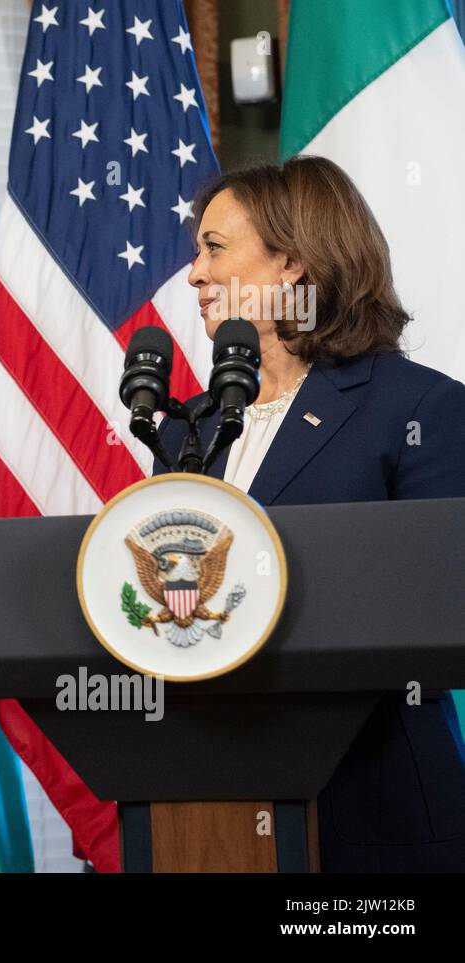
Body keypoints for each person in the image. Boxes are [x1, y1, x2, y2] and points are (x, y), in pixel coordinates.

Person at [157, 156, 465, 871]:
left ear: (292, 265)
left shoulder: (415, 409)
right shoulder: (184, 430)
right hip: (209, 810)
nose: (195, 274)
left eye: (214, 248)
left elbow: (440, 609)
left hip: (375, 812)